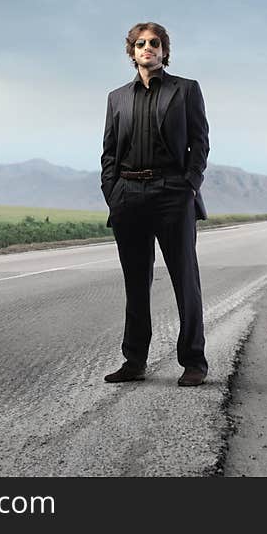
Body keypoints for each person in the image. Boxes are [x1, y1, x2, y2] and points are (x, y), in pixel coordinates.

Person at [100, 22, 210, 387]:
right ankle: (134, 361)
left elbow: (200, 144)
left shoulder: (187, 90)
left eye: (155, 43)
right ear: (132, 52)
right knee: (136, 283)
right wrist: (112, 195)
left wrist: (189, 187)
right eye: (141, 43)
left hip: (172, 194)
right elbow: (109, 153)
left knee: (185, 280)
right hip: (128, 197)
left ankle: (193, 362)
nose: (148, 47)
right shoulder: (116, 98)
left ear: (164, 50)